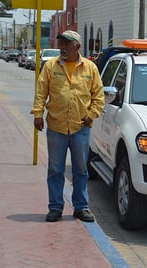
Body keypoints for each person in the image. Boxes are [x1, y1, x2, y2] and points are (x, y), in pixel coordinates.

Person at [30, 30, 105, 222]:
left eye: (67, 43)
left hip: (81, 128)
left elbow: (99, 96)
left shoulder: (90, 68)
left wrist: (91, 116)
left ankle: (81, 207)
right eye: (61, 43)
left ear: (77, 47)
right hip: (56, 126)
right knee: (55, 169)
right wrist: (38, 114)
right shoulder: (50, 66)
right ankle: (55, 207)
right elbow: (41, 92)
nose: (62, 46)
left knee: (80, 170)